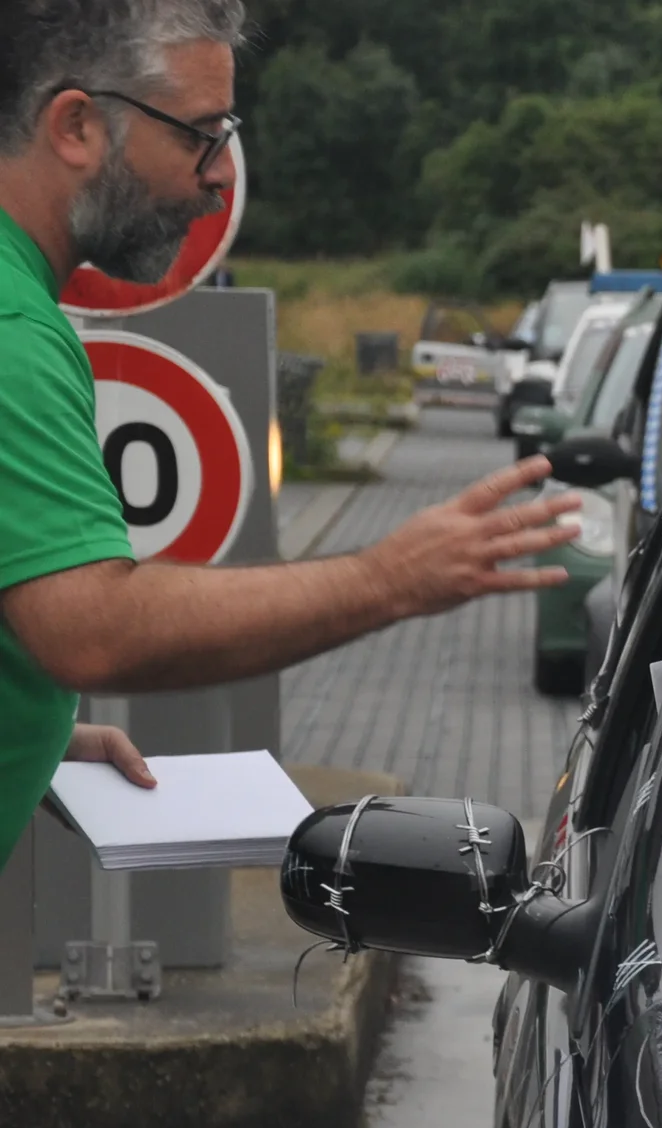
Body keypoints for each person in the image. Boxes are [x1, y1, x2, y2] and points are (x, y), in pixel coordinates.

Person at [0, 0, 580, 869]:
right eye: (200, 135)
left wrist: (35, 733)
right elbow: (91, 629)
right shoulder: (13, 329)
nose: (222, 176)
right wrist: (391, 578)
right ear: (76, 125)